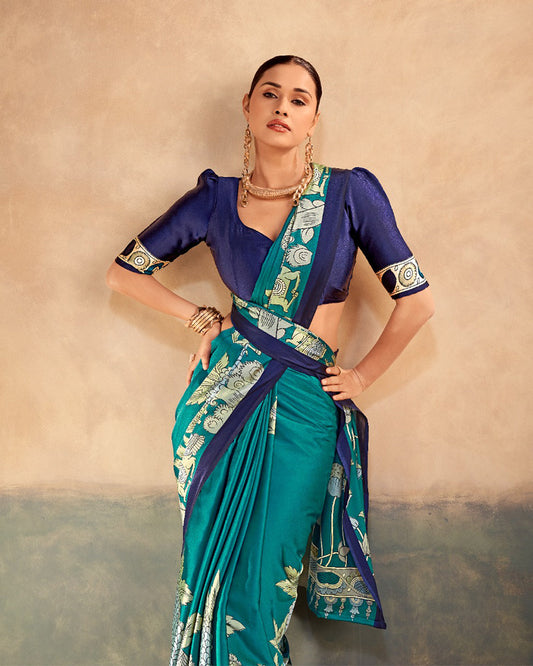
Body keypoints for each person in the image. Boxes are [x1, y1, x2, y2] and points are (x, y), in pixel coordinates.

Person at [106, 54, 434, 666]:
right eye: (270, 93)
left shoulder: (349, 195)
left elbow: (417, 302)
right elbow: (123, 273)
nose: (283, 107)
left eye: (299, 99)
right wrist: (201, 318)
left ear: (314, 119)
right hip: (221, 406)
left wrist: (362, 375)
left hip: (306, 405)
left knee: (261, 591)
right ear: (248, 106)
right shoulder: (214, 200)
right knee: (210, 580)